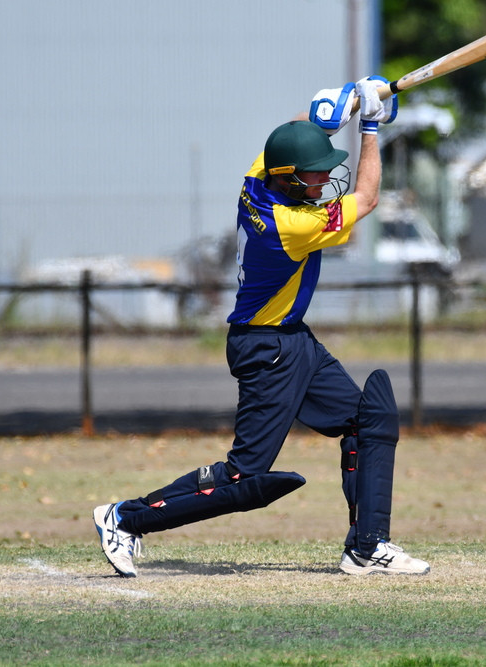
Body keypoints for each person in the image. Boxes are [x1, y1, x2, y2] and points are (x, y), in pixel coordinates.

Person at [93, 76, 429, 578]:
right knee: (242, 475)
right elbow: (369, 197)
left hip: (293, 340)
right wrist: (371, 127)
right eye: (314, 176)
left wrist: (332, 112)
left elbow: (290, 134)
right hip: (267, 349)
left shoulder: (258, 178)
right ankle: (126, 518)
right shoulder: (292, 227)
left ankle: (367, 545)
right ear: (290, 180)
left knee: (367, 420)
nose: (322, 181)